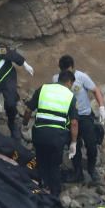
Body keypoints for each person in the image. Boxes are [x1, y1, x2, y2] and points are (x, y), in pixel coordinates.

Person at [21, 70, 78, 199]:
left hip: (39, 133)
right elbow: (74, 123)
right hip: (57, 137)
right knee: (54, 165)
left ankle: (41, 188)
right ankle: (54, 194)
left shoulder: (43, 89)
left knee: (41, 161)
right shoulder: (70, 96)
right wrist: (73, 143)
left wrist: (24, 124)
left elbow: (29, 109)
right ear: (69, 82)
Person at [54, 55, 105, 183]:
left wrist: (101, 107)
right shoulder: (56, 79)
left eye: (69, 70)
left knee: (91, 144)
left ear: (73, 68)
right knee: (74, 145)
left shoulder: (81, 77)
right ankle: (77, 172)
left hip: (84, 116)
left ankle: (91, 168)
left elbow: (95, 90)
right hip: (69, 117)